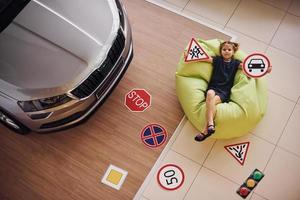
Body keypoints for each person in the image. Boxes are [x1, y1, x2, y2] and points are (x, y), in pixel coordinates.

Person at [194, 41, 272, 142]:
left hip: (224, 92)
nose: (226, 51)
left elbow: (249, 67)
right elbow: (205, 58)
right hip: (213, 87)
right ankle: (210, 126)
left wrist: (266, 70)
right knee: (209, 94)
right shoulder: (217, 60)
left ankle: (206, 130)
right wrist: (191, 56)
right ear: (221, 51)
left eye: (229, 50)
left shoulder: (235, 63)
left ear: (233, 51)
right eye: (224, 49)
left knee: (211, 103)